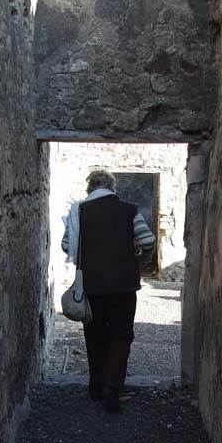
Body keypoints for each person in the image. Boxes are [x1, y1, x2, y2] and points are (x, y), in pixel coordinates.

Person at [62, 169, 156, 412]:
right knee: (121, 334)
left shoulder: (79, 211)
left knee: (95, 335)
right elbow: (147, 241)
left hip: (91, 285)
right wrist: (141, 259)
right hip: (124, 284)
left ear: (89, 188)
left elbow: (66, 244)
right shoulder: (129, 210)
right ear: (113, 187)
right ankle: (113, 387)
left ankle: (95, 388)